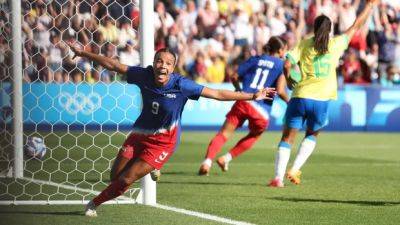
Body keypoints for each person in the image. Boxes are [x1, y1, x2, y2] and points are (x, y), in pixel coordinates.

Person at [67, 45, 276, 217]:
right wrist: (84, 53)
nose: (162, 66)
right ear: (154, 63)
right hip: (139, 135)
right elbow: (114, 65)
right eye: (159, 61)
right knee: (114, 177)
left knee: (126, 180)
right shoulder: (144, 75)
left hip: (162, 144)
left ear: (173, 67)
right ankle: (149, 169)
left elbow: (218, 93)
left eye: (168, 63)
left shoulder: (182, 85)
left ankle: (93, 204)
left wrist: (252, 96)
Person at [268, 0, 378, 188]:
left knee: (287, 138)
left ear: (314, 27)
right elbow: (356, 25)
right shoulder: (336, 44)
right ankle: (295, 169)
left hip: (300, 96)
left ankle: (278, 179)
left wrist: (288, 79)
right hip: (321, 99)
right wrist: (369, 6)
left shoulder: (304, 44)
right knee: (311, 135)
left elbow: (286, 64)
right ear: (330, 30)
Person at [198, 36, 290, 176]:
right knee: (254, 135)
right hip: (262, 110)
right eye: (285, 49)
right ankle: (226, 158)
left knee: (224, 134)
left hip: (244, 100)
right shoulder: (280, 65)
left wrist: (238, 90)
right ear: (281, 50)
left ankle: (207, 162)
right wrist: (290, 103)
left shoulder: (255, 59)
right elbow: (281, 90)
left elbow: (234, 76)